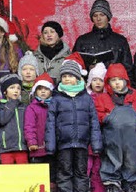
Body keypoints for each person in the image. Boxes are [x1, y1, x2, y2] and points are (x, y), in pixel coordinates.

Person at [45, 53, 102, 191]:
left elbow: (94, 122)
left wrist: (96, 144)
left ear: (77, 78)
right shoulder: (57, 98)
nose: (67, 79)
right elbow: (50, 124)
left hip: (82, 143)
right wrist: (51, 145)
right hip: (64, 143)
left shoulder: (86, 98)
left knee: (81, 173)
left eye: (70, 76)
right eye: (64, 76)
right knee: (64, 172)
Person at [94, 63, 136, 192]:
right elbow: (97, 114)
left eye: (119, 80)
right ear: (108, 83)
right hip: (112, 139)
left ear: (125, 81)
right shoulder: (103, 98)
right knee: (111, 159)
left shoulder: (133, 96)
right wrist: (106, 118)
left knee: (132, 161)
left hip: (131, 139)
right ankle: (112, 184)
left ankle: (130, 184)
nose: (117, 83)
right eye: (113, 80)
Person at [73, 0, 133, 78]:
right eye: (95, 15)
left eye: (102, 15)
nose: (98, 19)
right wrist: (88, 70)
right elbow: (73, 67)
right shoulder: (82, 40)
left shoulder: (120, 41)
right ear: (92, 18)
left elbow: (128, 69)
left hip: (114, 86)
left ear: (108, 17)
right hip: (89, 86)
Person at [24, 73, 56, 191]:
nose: (43, 92)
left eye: (46, 89)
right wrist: (31, 142)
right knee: (37, 178)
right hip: (37, 148)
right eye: (40, 89)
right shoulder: (32, 108)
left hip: (52, 149)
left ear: (51, 91)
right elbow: (29, 126)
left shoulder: (54, 106)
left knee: (52, 177)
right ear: (35, 91)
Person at [0, 74, 28, 164]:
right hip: (6, 148)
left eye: (18, 88)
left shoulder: (24, 107)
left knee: (23, 174)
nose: (16, 90)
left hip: (21, 147)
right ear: (5, 91)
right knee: (7, 175)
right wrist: (12, 103)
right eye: (12, 88)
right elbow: (2, 120)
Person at [85, 63, 107, 192]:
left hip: (102, 139)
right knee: (86, 166)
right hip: (88, 140)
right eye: (94, 80)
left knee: (98, 169)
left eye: (101, 80)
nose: (97, 83)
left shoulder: (107, 98)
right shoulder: (86, 98)